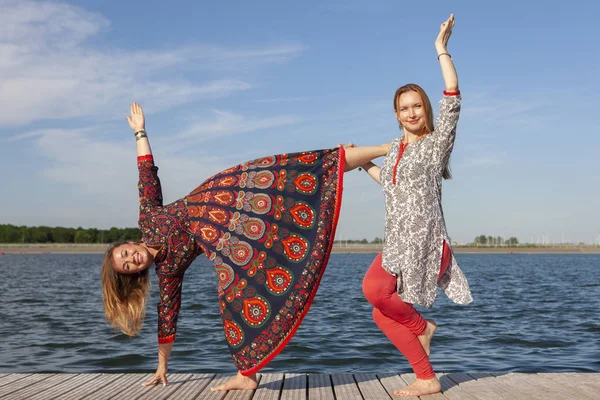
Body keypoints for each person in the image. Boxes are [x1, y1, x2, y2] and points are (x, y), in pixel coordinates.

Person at [101, 102, 388, 391]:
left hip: (227, 193)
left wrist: (140, 132)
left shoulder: (149, 219)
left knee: (297, 171)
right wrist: (162, 366)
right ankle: (246, 375)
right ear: (135, 274)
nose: (132, 259)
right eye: (128, 266)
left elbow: (147, 175)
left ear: (128, 243)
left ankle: (386, 148)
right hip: (230, 241)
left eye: (125, 253)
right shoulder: (168, 271)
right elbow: (167, 317)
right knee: (234, 298)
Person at [359, 14, 472, 397]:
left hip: (423, 241)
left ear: (425, 110)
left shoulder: (436, 144)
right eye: (404, 108)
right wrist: (363, 163)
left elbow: (453, 95)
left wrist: (441, 49)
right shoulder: (395, 152)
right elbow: (387, 183)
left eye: (417, 106)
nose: (411, 113)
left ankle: (424, 330)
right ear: (396, 114)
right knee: (380, 310)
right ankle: (426, 376)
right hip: (396, 242)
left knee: (374, 290)